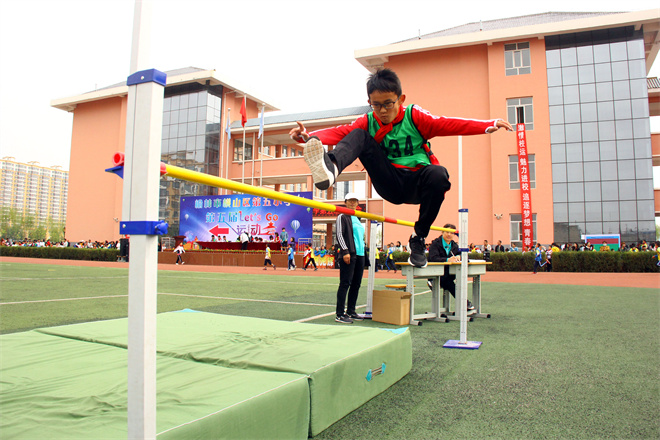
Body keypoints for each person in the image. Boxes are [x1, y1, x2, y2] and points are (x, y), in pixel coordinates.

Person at [290, 68, 512, 268]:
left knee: (439, 175)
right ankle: (332, 168)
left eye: (388, 104)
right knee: (357, 134)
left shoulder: (415, 116)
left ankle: (419, 238)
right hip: (390, 182)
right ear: (369, 102)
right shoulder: (369, 120)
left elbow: (447, 123)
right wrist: (308, 137)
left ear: (400, 99)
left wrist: (487, 125)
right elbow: (341, 132)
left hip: (418, 182)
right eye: (376, 105)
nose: (383, 111)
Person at [427, 224, 475, 312]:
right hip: (436, 272)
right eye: (447, 232)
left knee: (451, 278)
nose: (449, 234)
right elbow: (433, 258)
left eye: (451, 233)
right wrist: (447, 259)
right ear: (442, 232)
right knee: (447, 281)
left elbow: (465, 257)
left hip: (449, 273)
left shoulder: (454, 245)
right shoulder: (435, 244)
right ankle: (464, 302)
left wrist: (460, 257)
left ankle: (464, 302)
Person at [334, 193, 366, 323]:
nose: (352, 202)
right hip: (350, 254)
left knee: (356, 284)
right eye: (350, 200)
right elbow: (339, 235)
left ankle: (351, 311)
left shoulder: (357, 218)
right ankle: (340, 314)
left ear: (358, 203)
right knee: (345, 283)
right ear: (345, 202)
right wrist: (345, 251)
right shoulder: (342, 216)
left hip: (360, 254)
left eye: (355, 201)